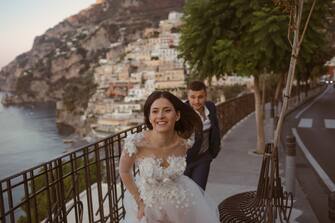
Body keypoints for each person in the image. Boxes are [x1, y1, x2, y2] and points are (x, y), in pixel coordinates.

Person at [119, 91, 220, 223]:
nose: (160, 116)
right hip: (147, 204)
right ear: (149, 117)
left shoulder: (184, 143)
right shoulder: (136, 142)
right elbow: (124, 171)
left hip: (178, 202)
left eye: (167, 110)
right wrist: (139, 201)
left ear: (177, 115)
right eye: (155, 111)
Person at [184, 81, 221, 190]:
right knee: (184, 195)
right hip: (185, 160)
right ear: (188, 97)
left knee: (199, 192)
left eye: (200, 97)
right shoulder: (182, 113)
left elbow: (216, 128)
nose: (196, 101)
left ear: (206, 96)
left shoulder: (211, 107)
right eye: (193, 97)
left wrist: (214, 151)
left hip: (204, 158)